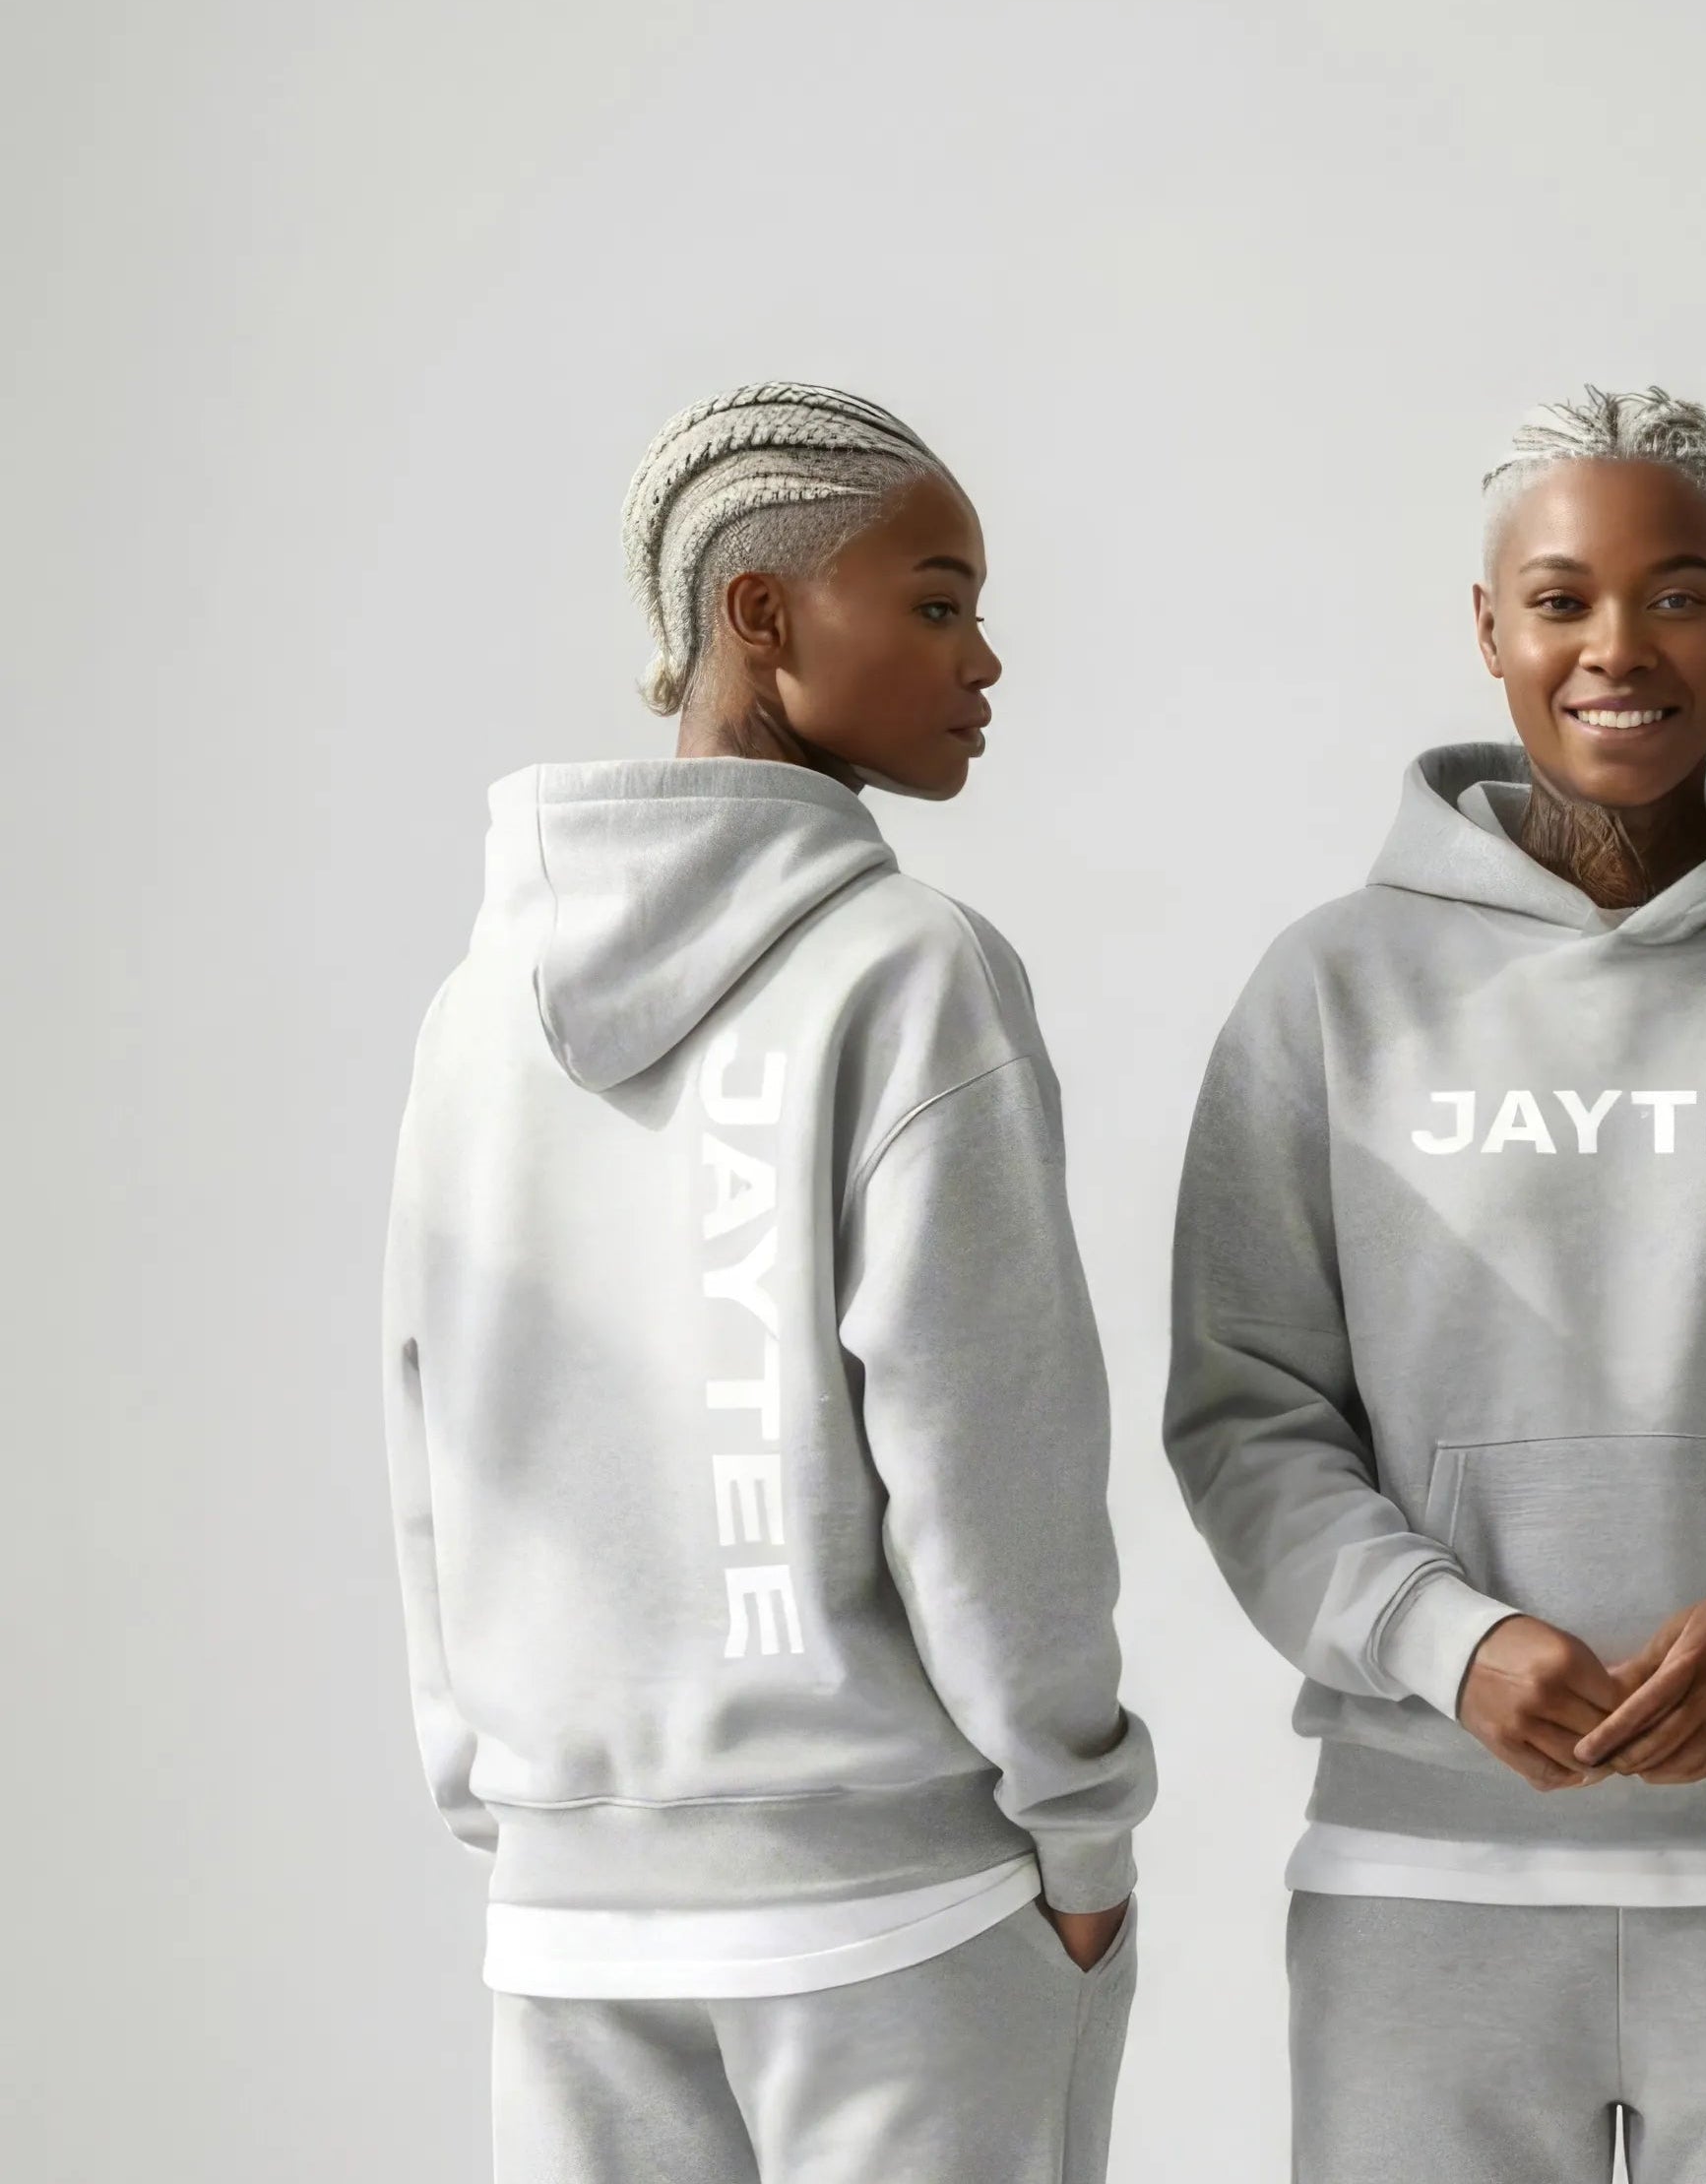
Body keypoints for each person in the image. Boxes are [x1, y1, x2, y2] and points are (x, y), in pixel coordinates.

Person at [1165, 387, 1706, 2183]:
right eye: (1561, 600)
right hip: (1426, 1881)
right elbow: (1250, 1411)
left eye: (1679, 594)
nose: (1619, 649)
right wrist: (1442, 1637)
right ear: (1487, 627)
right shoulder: (1330, 993)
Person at [378, 382, 1153, 2183]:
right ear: (762, 615)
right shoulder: (912, 973)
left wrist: (504, 1798)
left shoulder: (475, 1008)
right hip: (884, 1907)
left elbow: (430, 1433)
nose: (987, 659)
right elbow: (991, 1458)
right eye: (939, 600)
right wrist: (1083, 1825)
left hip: (571, 1919)